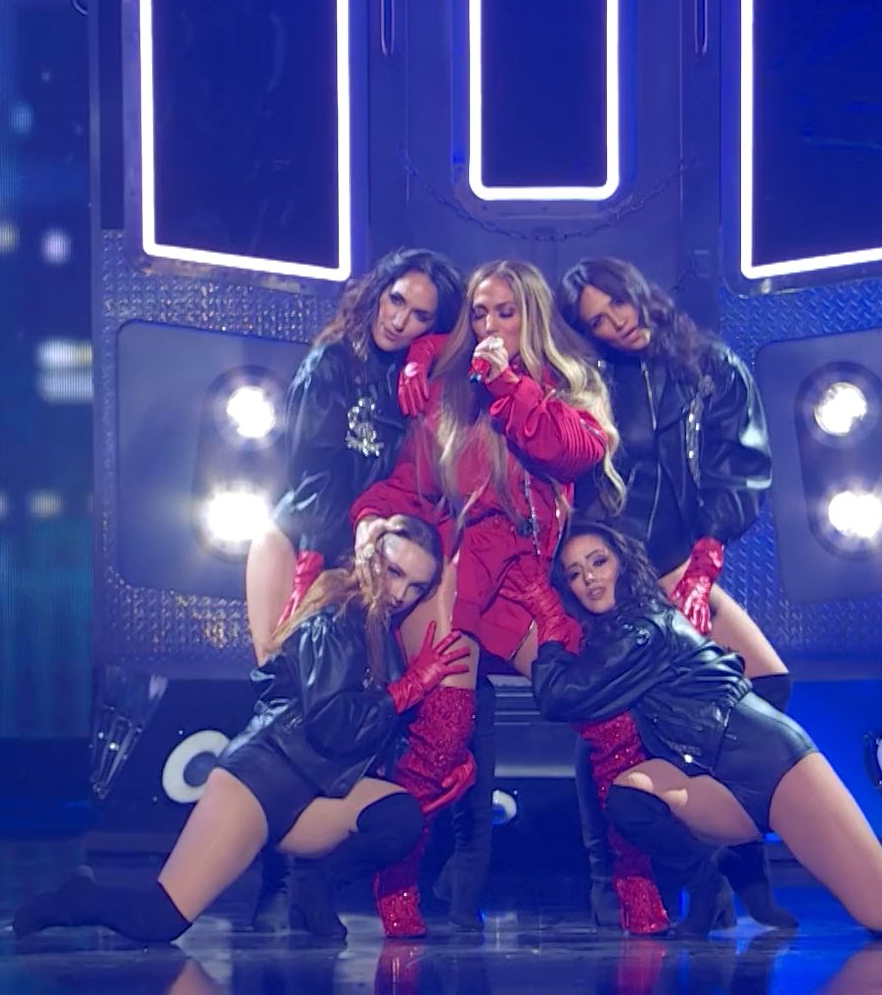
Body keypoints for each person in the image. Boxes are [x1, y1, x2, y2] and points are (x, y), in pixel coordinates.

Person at [351, 260, 675, 936]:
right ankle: (396, 886)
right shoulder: (448, 394)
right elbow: (412, 484)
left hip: (523, 578)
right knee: (441, 733)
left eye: (506, 311)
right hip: (455, 569)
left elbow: (571, 452)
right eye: (479, 313)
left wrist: (507, 384)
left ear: (532, 316)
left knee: (607, 716)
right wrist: (372, 522)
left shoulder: (565, 386)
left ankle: (633, 882)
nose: (490, 326)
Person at [13, 514, 472, 943]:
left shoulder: (377, 631)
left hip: (320, 789)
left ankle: (314, 889)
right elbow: (333, 724)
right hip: (262, 780)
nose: (401, 594)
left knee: (399, 816)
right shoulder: (336, 618)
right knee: (160, 921)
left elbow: (371, 731)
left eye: (417, 586)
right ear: (370, 558)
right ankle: (78, 899)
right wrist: (413, 685)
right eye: (394, 572)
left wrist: (446, 760)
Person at [237, 247, 492, 931]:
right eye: (395, 300)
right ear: (377, 292)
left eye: (421, 316)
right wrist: (318, 568)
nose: (400, 320)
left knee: (382, 706)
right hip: (309, 542)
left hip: (377, 555)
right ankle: (277, 879)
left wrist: (420, 358)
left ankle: (360, 869)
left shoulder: (418, 376)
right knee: (287, 708)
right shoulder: (331, 364)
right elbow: (313, 477)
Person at [534, 523, 882, 941]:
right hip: (710, 779)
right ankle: (706, 886)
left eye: (599, 562)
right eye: (575, 573)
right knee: (628, 797)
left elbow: (558, 698)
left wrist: (548, 631)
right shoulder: (615, 634)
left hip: (769, 764)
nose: (590, 578)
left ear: (623, 564)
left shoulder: (643, 629)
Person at [559, 255, 791, 929]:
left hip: (678, 561)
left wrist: (704, 562)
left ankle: (739, 856)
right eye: (596, 322)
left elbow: (738, 467)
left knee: (764, 686)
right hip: (612, 571)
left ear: (639, 292)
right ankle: (615, 876)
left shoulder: (711, 367)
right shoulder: (591, 382)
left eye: (617, 305)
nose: (615, 324)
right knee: (611, 723)